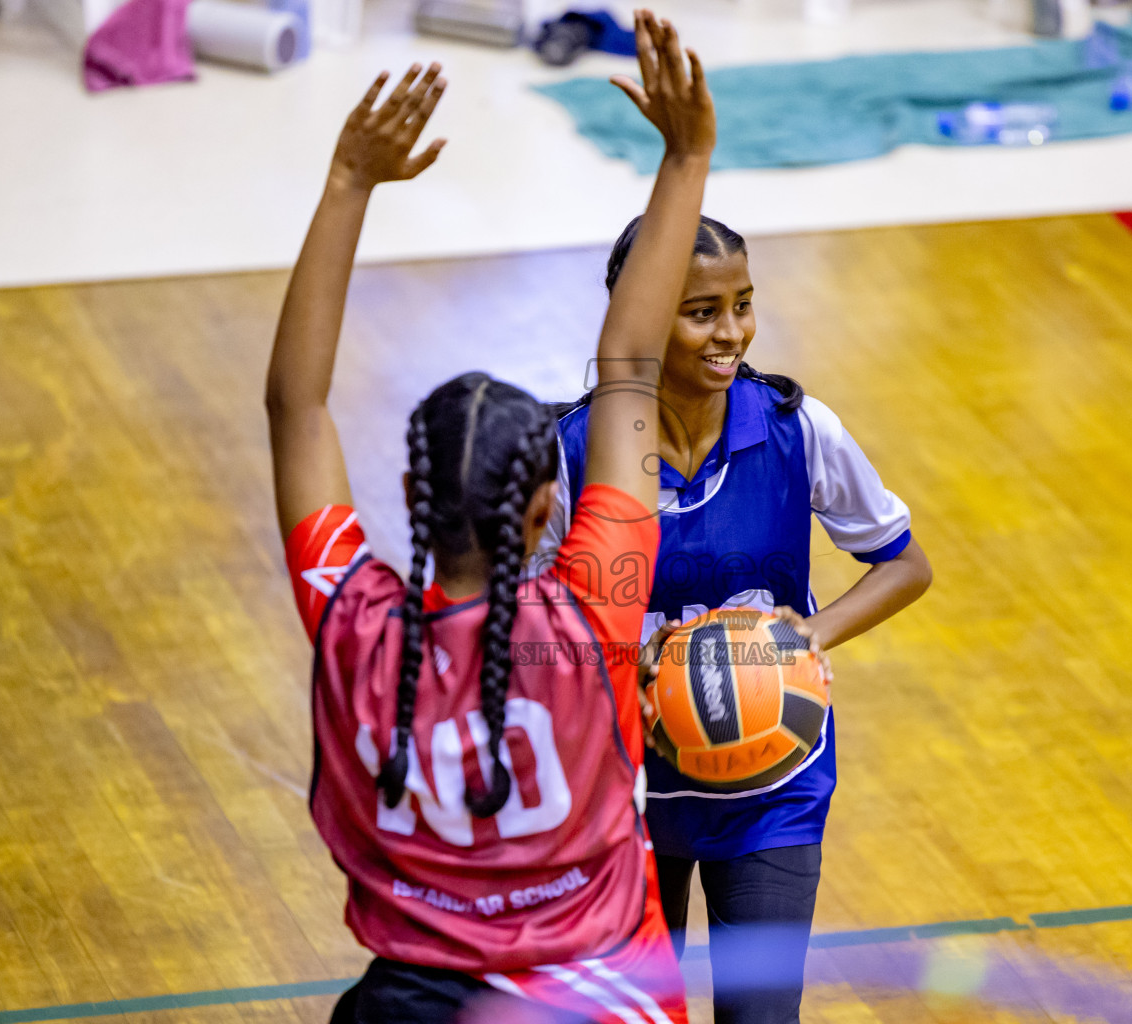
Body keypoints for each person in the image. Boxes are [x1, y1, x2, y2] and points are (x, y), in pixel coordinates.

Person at [265, 13, 715, 1022]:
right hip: (593, 997)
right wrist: (687, 158)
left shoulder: (355, 624)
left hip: (409, 1002)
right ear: (549, 503)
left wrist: (349, 182)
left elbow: (296, 408)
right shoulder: (593, 611)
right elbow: (631, 370)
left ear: (411, 498)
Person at [539, 218, 934, 1022]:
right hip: (625, 794)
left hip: (774, 786)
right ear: (641, 313)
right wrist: (622, 660)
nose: (732, 333)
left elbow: (905, 565)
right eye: (702, 312)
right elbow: (522, 629)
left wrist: (806, 637)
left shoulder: (798, 429)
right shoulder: (570, 454)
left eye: (743, 305)